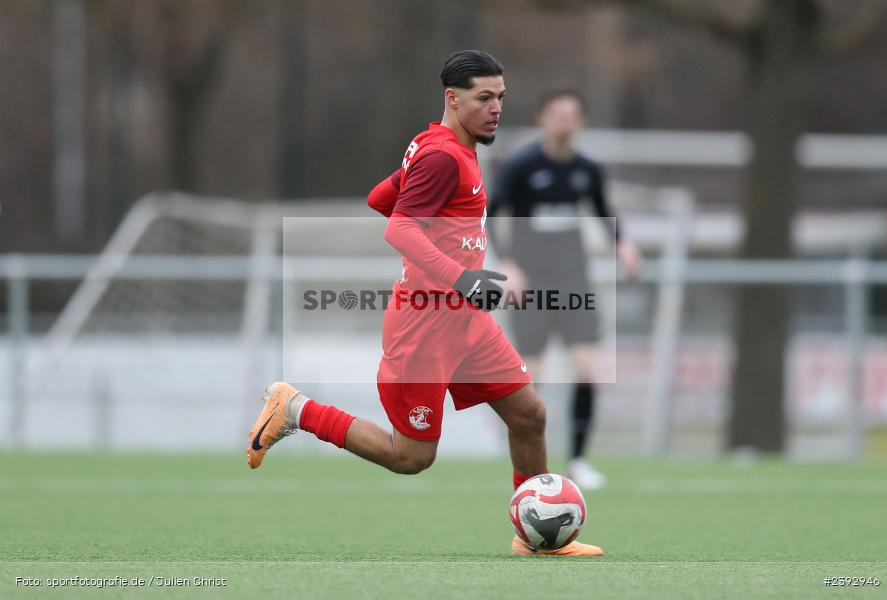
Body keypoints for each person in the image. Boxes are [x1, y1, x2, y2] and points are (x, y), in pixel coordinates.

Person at [246, 50, 603, 556]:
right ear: (452, 99)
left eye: (500, 98)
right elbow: (398, 228)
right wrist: (461, 276)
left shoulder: (442, 147)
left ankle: (536, 537)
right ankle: (296, 408)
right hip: (425, 325)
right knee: (411, 457)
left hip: (465, 320)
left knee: (529, 415)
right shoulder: (441, 156)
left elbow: (380, 198)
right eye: (484, 98)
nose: (496, 109)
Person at [488, 89, 642, 490]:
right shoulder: (521, 165)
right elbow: (493, 213)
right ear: (541, 118)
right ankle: (524, 464)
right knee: (530, 378)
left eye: (572, 115)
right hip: (531, 286)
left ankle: (577, 460)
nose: (564, 122)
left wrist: (622, 244)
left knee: (588, 369)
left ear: (581, 121)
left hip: (575, 282)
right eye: (557, 113)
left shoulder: (587, 169)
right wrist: (508, 264)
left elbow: (602, 210)